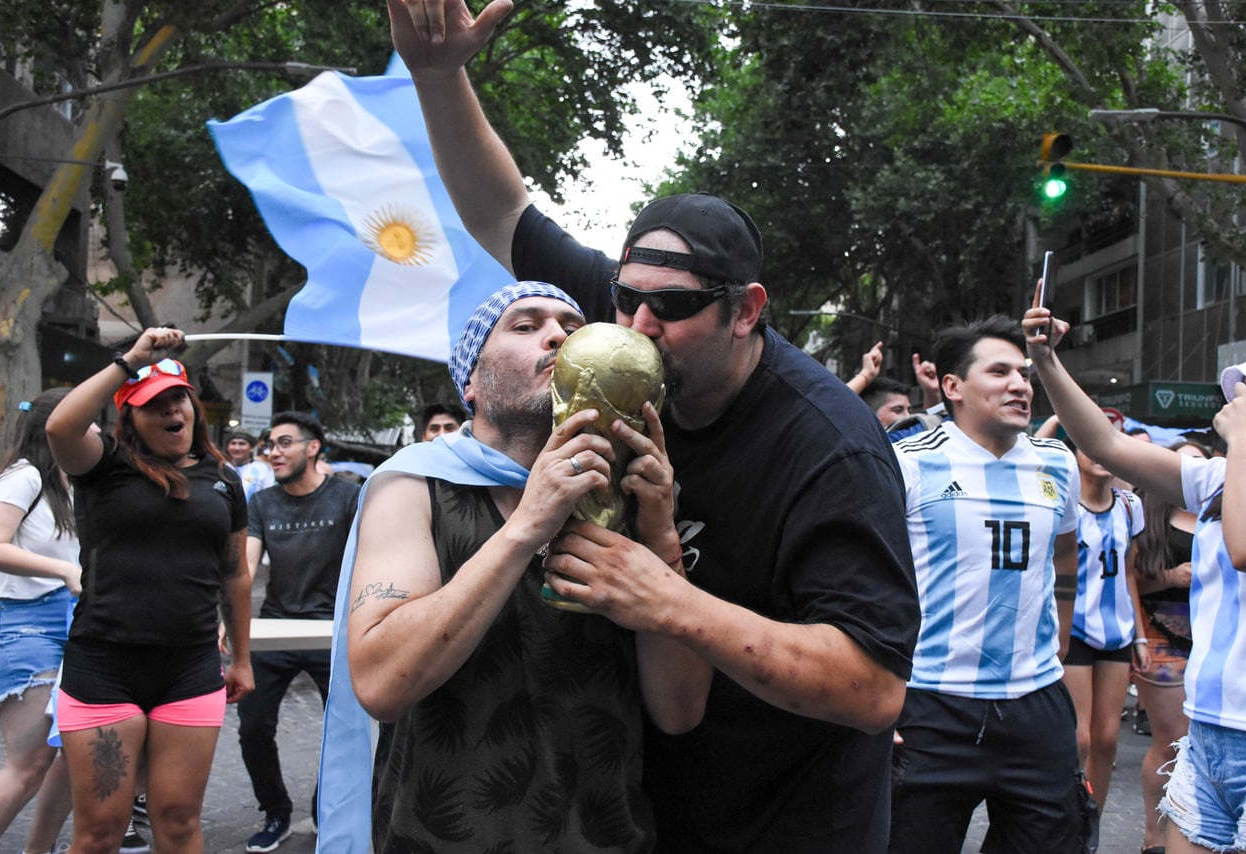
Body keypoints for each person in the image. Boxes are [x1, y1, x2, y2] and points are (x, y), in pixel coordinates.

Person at [389, 7, 921, 849]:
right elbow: (502, 214)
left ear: (746, 312)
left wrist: (671, 600)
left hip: (787, 821)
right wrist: (438, 74)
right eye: (622, 299)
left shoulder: (829, 443)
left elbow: (872, 689)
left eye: (669, 309)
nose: (635, 326)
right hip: (639, 809)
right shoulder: (631, 326)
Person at [344, 282, 710, 851]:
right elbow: (381, 683)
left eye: (570, 325)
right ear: (471, 381)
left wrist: (661, 533)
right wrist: (525, 527)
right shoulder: (417, 485)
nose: (559, 336)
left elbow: (680, 711)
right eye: (525, 325)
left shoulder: (632, 503)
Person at [1025, 299, 1246, 854]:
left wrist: (1245, 442)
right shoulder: (1222, 479)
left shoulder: (1237, 472)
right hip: (1207, 735)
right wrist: (1046, 362)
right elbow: (1108, 445)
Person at [44, 327, 254, 854]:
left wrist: (244, 658)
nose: (169, 412)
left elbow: (234, 571)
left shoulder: (223, 481)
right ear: (129, 417)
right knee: (99, 833)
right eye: (153, 405)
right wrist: (129, 359)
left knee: (179, 822)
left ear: (193, 406)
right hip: (104, 667)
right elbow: (61, 425)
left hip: (189, 669)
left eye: (176, 399)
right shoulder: (103, 465)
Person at [889, 315, 1084, 853]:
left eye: (1023, 373)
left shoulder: (1058, 465)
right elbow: (870, 581)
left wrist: (1061, 637)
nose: (1020, 384)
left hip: (1036, 705)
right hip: (929, 705)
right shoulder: (906, 462)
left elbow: (1064, 550)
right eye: (999, 372)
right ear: (952, 386)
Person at [237, 412, 359, 853]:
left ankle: (326, 808)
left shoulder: (348, 498)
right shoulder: (262, 503)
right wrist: (230, 622)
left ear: (313, 447)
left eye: (285, 442)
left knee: (345, 729)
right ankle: (276, 812)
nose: (274, 451)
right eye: (270, 444)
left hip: (334, 632)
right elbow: (246, 569)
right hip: (275, 628)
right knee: (252, 727)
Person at [0, 390, 79, 854]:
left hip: (64, 625)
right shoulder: (24, 476)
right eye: (85, 421)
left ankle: (39, 849)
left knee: (73, 748)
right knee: (27, 764)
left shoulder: (68, 481)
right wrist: (65, 571)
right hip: (24, 626)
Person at [1059, 435, 1145, 814]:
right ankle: (1066, 813)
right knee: (1079, 738)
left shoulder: (1129, 505)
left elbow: (1129, 573)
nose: (1097, 455)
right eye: (1087, 444)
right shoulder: (1064, 504)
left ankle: (1091, 817)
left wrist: (1140, 635)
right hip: (1074, 628)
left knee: (1108, 738)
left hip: (1117, 630)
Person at [1130, 439, 1204, 854]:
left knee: (1202, 742)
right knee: (1173, 739)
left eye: (1203, 464)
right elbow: (1128, 581)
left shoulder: (1225, 514)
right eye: (1185, 463)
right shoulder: (1149, 516)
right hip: (1160, 635)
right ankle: (1155, 838)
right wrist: (1171, 578)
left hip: (1213, 638)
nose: (1195, 471)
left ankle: (1189, 832)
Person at [226, 430, 275, 504]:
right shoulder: (221, 468)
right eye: (233, 443)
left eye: (242, 444)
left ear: (251, 448)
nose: (237, 448)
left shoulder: (263, 469)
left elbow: (270, 498)